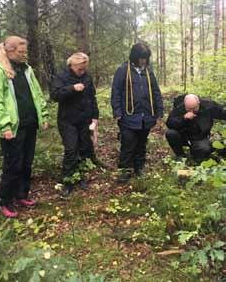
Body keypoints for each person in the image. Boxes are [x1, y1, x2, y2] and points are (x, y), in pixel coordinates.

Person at [0, 36, 49, 218]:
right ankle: (4, 200)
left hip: (30, 124)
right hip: (12, 128)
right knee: (13, 165)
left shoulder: (27, 70)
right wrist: (4, 124)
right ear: (9, 51)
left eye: (25, 51)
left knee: (27, 163)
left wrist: (42, 116)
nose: (24, 55)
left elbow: (36, 93)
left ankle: (21, 195)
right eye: (21, 52)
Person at [111, 42, 163, 183]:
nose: (143, 61)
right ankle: (124, 171)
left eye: (145, 58)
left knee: (141, 143)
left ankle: (139, 168)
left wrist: (159, 111)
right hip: (128, 115)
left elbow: (156, 91)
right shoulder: (123, 70)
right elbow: (115, 92)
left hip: (146, 116)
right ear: (134, 57)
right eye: (141, 58)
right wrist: (117, 111)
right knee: (128, 144)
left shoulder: (148, 71)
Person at [50, 52, 100, 195]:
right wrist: (72, 88)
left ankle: (81, 176)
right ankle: (68, 180)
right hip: (67, 121)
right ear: (72, 65)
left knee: (84, 148)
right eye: (80, 69)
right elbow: (54, 95)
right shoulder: (62, 76)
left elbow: (92, 98)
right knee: (71, 150)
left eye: (84, 68)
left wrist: (95, 117)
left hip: (84, 120)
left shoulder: (87, 78)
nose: (82, 71)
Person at [166, 93, 226, 164]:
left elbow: (222, 113)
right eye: (188, 109)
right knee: (170, 133)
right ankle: (180, 155)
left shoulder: (208, 106)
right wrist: (184, 118)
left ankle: (195, 154)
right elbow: (170, 123)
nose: (191, 111)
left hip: (200, 137)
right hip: (183, 136)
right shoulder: (179, 108)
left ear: (198, 103)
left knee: (204, 150)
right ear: (184, 104)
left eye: (194, 108)